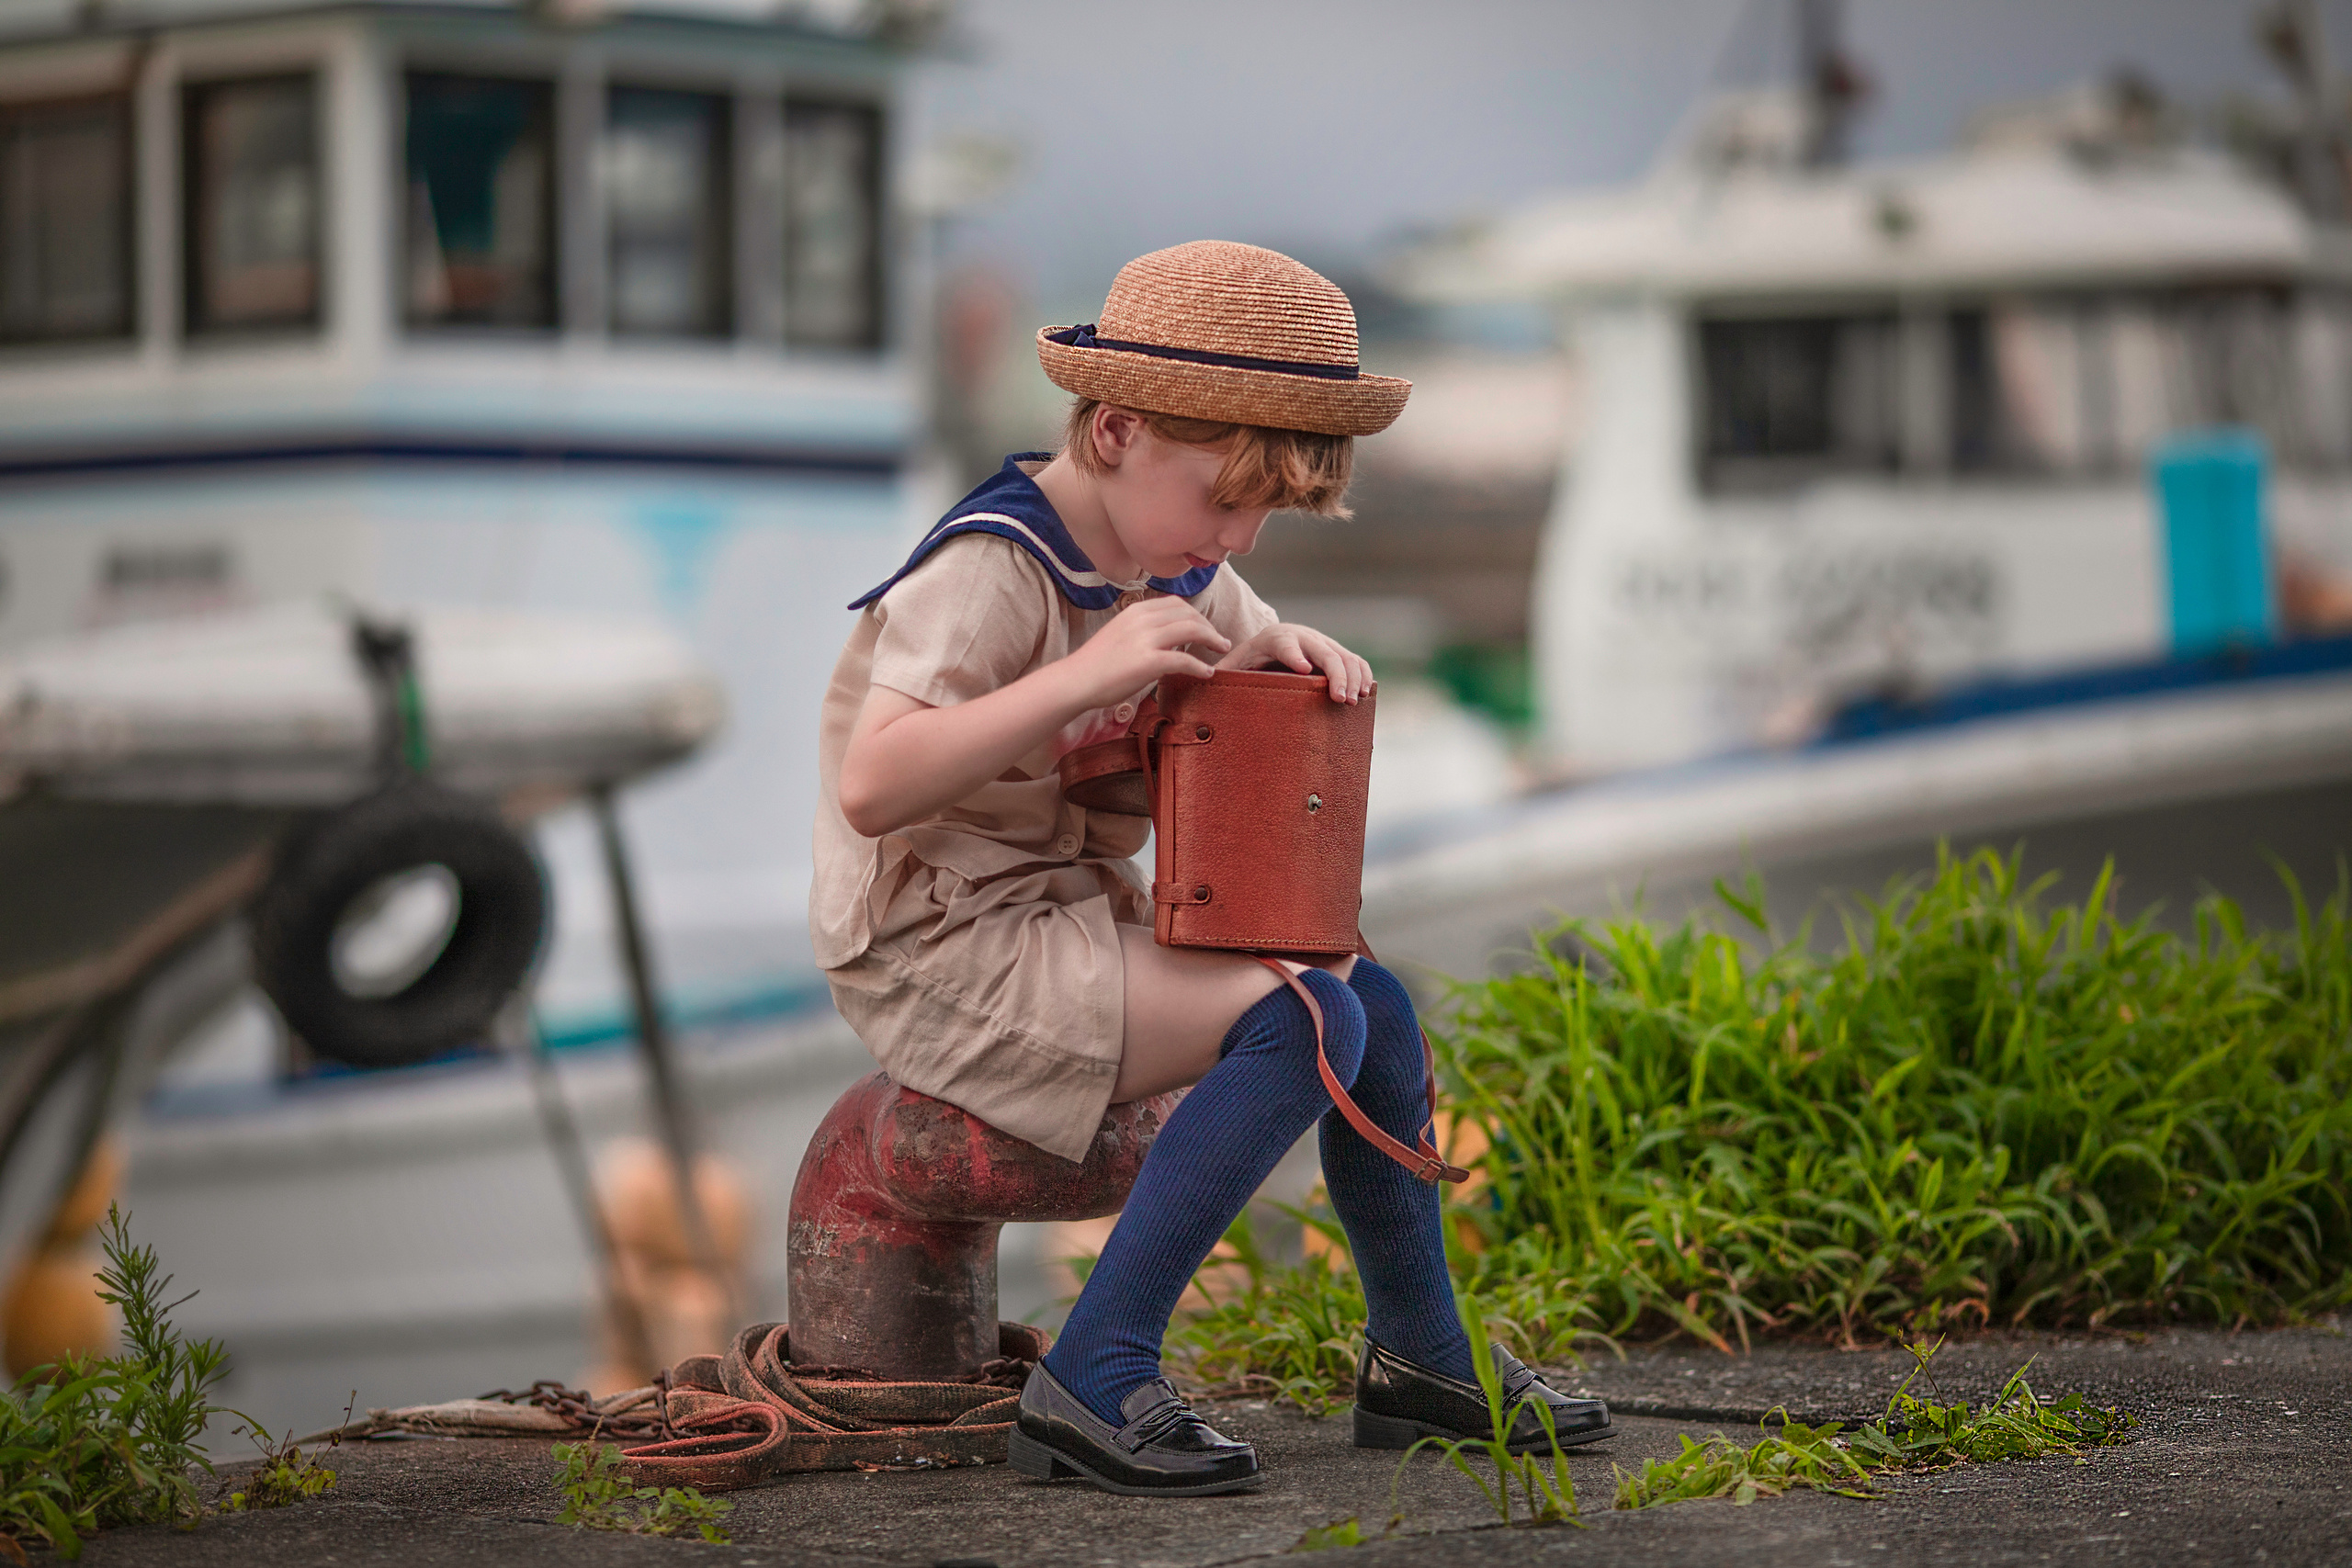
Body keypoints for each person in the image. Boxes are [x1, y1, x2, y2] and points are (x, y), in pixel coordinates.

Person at [812, 241, 1610, 1496]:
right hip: (938, 949)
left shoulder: (1168, 546)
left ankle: (1424, 1360)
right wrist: (1092, 675)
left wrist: (1283, 647)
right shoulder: (992, 568)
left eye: (1259, 518)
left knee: (1374, 1004)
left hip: (1064, 924)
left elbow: (1230, 642)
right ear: (1117, 428)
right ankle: (1097, 1368)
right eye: (1223, 501)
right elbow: (873, 782)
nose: (1233, 539)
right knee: (1302, 1019)